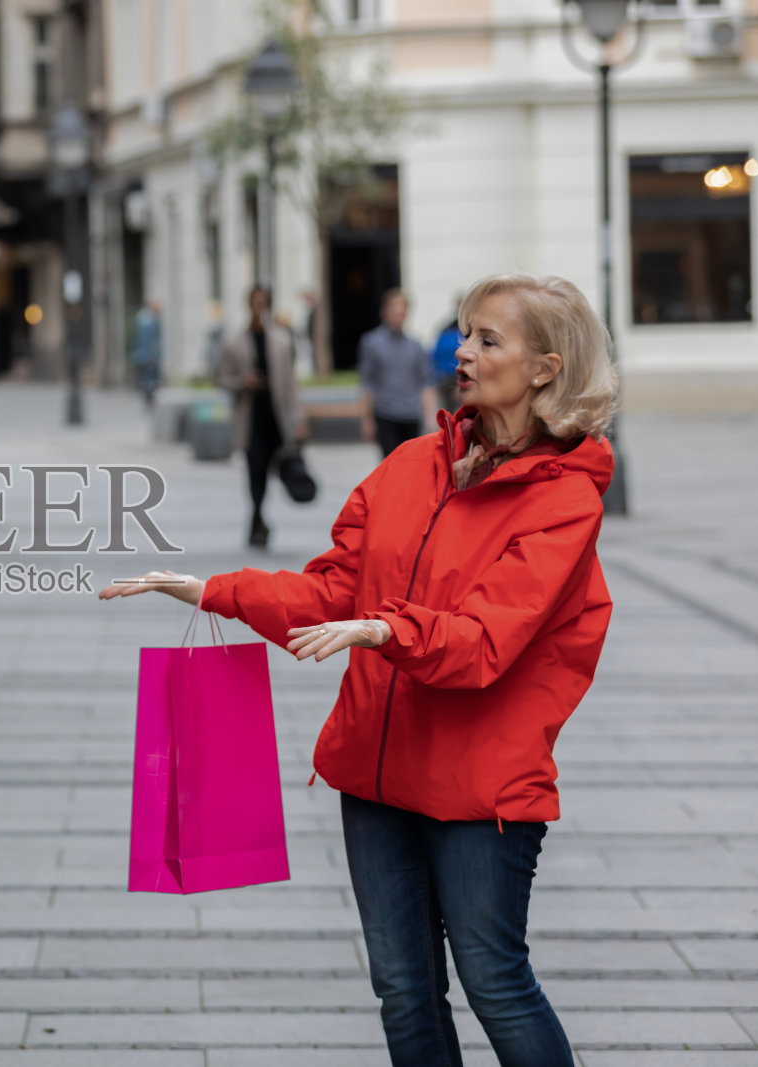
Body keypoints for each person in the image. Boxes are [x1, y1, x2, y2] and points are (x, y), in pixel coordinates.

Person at [103, 273, 619, 1067]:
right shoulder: (411, 465)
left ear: (547, 366)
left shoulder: (564, 502)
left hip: (481, 789)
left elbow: (485, 640)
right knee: (404, 988)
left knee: (494, 981)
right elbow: (332, 587)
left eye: (488, 338)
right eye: (462, 334)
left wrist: (384, 628)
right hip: (374, 778)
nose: (463, 352)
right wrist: (216, 589)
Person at [216, 285, 307, 548]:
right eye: (255, 302)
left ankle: (258, 521)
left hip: (276, 419)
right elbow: (222, 378)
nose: (259, 307)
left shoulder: (281, 340)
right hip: (251, 418)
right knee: (255, 471)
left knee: (275, 470)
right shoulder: (235, 342)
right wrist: (243, 382)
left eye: (263, 302)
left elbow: (291, 384)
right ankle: (257, 519)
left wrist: (298, 420)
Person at [359, 288, 437, 457]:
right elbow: (367, 383)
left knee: (410, 464)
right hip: (385, 413)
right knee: (390, 464)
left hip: (411, 414)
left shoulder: (416, 346)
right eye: (395, 310)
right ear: (385, 312)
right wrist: (367, 420)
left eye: (403, 311)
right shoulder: (371, 343)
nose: (399, 315)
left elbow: (426, 382)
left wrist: (430, 416)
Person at [433, 296, 465, 411]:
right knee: (448, 413)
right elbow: (437, 356)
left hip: (465, 376)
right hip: (447, 379)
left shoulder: (472, 329)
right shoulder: (446, 329)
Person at [131, 298, 163, 407]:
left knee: (146, 379)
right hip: (149, 356)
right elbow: (152, 341)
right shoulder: (151, 322)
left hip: (142, 355)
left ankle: (147, 397)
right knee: (150, 379)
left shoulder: (142, 320)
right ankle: (148, 398)